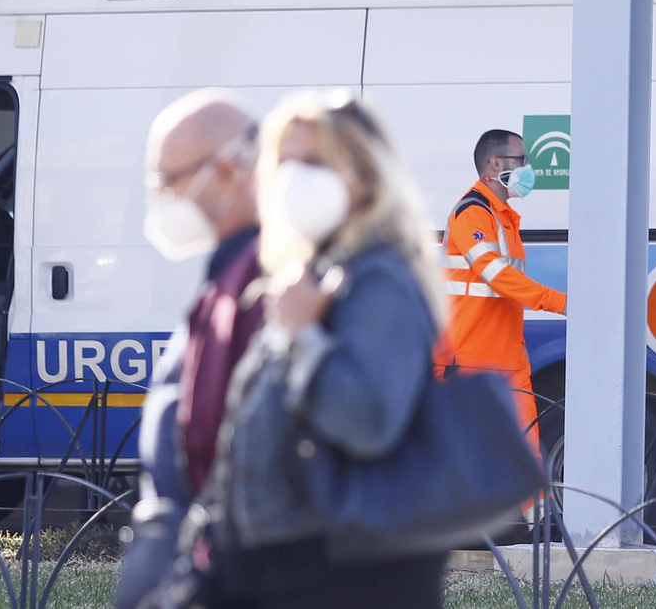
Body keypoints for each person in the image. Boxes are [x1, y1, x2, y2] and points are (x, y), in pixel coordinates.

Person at [203, 91, 449, 608]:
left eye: (314, 162)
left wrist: (304, 335)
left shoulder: (379, 279)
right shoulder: (315, 271)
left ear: (365, 176)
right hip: (287, 565)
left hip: (339, 575)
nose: (294, 179)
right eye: (285, 163)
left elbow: (367, 421)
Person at [116, 91, 264, 609]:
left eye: (166, 182)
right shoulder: (232, 272)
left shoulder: (263, 282)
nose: (160, 199)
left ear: (227, 169)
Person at [436, 129, 566, 453]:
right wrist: (560, 302)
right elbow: (496, 275)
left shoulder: (502, 217)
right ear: (495, 164)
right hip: (470, 361)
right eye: (521, 160)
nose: (527, 169)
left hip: (507, 359)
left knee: (524, 459)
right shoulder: (472, 213)